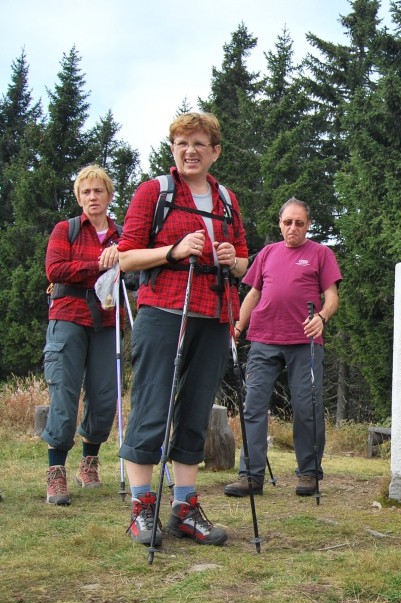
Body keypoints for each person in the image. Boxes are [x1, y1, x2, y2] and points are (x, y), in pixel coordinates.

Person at [117, 112, 248, 547]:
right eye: (181, 143)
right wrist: (172, 250)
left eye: (198, 143)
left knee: (195, 410)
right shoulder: (154, 192)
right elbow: (127, 257)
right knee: (152, 402)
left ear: (215, 151)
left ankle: (184, 508)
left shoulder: (227, 199)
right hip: (164, 310)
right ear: (172, 149)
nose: (189, 150)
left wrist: (233, 258)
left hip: (214, 314)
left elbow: (248, 263)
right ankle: (141, 507)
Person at [224, 197, 341, 498]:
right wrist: (238, 327)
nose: (293, 228)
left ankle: (309, 473)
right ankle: (250, 476)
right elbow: (252, 294)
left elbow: (332, 297)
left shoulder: (321, 254)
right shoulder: (267, 254)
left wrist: (322, 318)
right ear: (280, 224)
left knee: (307, 406)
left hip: (306, 340)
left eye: (299, 223)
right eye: (288, 222)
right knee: (253, 406)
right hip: (263, 338)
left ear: (308, 225)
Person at [41, 165, 122, 505]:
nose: (93, 197)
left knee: (105, 394)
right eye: (86, 192)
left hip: (106, 321)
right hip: (68, 317)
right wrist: (98, 265)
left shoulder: (122, 236)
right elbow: (55, 270)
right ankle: (56, 472)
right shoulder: (67, 230)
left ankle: (89, 462)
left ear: (108, 196)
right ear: (79, 197)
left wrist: (122, 262)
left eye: (98, 191)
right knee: (64, 393)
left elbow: (133, 270)